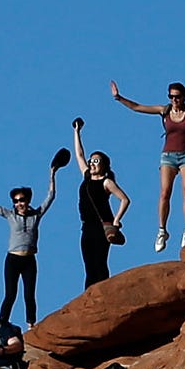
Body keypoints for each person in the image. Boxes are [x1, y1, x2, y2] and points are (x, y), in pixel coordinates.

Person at [109, 78, 185, 253]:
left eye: (178, 97)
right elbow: (138, 107)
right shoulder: (164, 111)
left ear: (184, 97)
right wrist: (119, 97)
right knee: (165, 192)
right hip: (168, 156)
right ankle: (162, 231)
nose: (174, 100)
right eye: (171, 96)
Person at [0, 153, 62, 326]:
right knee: (10, 294)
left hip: (29, 258)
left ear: (28, 200)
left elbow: (51, 196)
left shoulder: (36, 215)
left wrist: (52, 174)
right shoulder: (10, 215)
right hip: (13, 258)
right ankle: (2, 323)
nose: (18, 203)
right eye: (15, 201)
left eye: (21, 200)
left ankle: (31, 324)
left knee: (29, 294)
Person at [72, 117, 130, 288]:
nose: (92, 163)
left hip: (101, 226)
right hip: (86, 226)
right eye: (92, 161)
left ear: (104, 165)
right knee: (89, 265)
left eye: (96, 161)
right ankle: (89, 296)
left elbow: (125, 200)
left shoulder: (106, 182)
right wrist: (77, 132)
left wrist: (117, 219)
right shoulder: (87, 176)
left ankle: (103, 293)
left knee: (99, 263)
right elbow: (79, 155)